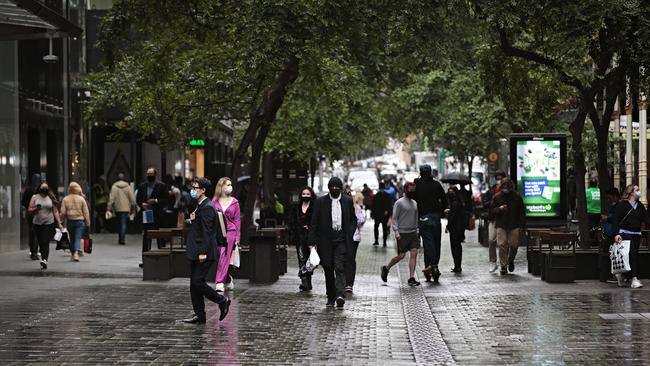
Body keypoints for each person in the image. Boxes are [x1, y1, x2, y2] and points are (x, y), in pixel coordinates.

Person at [181, 177, 231, 324]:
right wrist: (193, 220)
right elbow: (201, 226)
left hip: (205, 252)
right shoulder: (201, 205)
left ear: (203, 190)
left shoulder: (208, 206)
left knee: (197, 282)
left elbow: (207, 232)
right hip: (196, 250)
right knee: (194, 283)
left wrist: (203, 252)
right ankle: (200, 315)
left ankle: (222, 300)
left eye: (195, 188)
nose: (193, 191)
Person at [308, 177, 357, 308]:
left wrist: (350, 232)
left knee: (340, 267)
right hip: (326, 241)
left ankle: (340, 294)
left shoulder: (347, 201)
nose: (335, 189)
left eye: (337, 187)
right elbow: (314, 223)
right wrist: (311, 242)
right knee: (328, 268)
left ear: (341, 188)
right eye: (332, 187)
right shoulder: (321, 202)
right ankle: (331, 296)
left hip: (341, 239)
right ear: (329, 188)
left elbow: (353, 219)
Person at [381, 182, 420, 286]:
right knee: (401, 256)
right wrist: (396, 232)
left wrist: (417, 230)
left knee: (414, 253)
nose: (412, 191)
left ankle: (411, 277)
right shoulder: (399, 203)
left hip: (412, 233)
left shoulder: (415, 203)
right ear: (406, 190)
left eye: (414, 189)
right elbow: (394, 219)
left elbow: (416, 218)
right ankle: (386, 268)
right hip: (402, 233)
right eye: (410, 189)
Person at [414, 164, 447, 283]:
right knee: (436, 243)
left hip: (423, 217)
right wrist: (441, 212)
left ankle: (432, 265)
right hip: (435, 217)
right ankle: (434, 265)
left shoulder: (416, 183)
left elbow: (411, 197)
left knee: (428, 243)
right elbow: (444, 200)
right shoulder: (437, 185)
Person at [612, 184, 649, 289]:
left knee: (633, 256)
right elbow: (616, 220)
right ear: (631, 192)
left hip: (636, 234)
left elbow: (646, 220)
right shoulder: (622, 205)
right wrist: (616, 234)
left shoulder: (640, 206)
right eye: (637, 190)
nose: (639, 192)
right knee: (632, 253)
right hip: (624, 233)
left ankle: (623, 275)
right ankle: (634, 279)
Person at [490, 178, 526, 275]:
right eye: (503, 186)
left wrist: (522, 225)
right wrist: (499, 209)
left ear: (511, 186)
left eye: (507, 186)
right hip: (501, 224)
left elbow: (522, 212)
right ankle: (503, 266)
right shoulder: (496, 197)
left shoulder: (517, 197)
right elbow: (491, 211)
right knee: (502, 245)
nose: (505, 187)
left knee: (514, 245)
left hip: (514, 225)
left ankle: (510, 260)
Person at [212, 177, 241, 292]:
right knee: (221, 257)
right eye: (227, 185)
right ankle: (228, 279)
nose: (230, 187)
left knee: (224, 255)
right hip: (218, 233)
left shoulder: (235, 202)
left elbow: (237, 220)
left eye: (230, 184)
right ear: (221, 187)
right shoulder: (214, 202)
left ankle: (219, 282)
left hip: (231, 232)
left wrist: (238, 238)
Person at [27, 181, 63, 270]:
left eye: (46, 187)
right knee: (40, 242)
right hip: (37, 223)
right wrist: (36, 208)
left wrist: (59, 223)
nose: (44, 189)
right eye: (43, 187)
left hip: (48, 223)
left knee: (45, 241)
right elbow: (30, 209)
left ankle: (44, 260)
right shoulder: (35, 197)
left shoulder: (50, 197)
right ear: (39, 188)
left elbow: (55, 211)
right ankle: (43, 258)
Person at [136, 168, 170, 255]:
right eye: (148, 174)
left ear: (155, 175)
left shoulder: (161, 186)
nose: (149, 176)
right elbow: (138, 199)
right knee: (147, 234)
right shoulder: (142, 186)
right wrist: (141, 204)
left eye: (151, 174)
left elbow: (166, 199)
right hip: (147, 213)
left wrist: (155, 200)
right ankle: (145, 256)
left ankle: (162, 255)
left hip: (158, 213)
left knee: (159, 234)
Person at [288, 186, 315, 291]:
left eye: (308, 194)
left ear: (311, 195)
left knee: (310, 260)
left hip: (311, 238)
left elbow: (317, 222)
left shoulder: (314, 208)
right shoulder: (296, 208)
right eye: (304, 194)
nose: (305, 196)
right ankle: (304, 281)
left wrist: (310, 227)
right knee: (301, 258)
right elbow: (292, 223)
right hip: (299, 238)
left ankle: (308, 280)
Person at [60, 182, 91, 261]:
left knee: (72, 238)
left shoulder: (65, 199)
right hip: (80, 221)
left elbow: (63, 212)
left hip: (70, 221)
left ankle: (73, 254)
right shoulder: (81, 199)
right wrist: (88, 222)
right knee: (78, 237)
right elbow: (86, 212)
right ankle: (76, 254)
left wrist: (61, 220)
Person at [346, 192, 366, 292]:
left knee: (350, 259)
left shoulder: (356, 207)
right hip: (342, 237)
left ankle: (349, 283)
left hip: (354, 237)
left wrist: (353, 220)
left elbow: (361, 220)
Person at [108, 173, 136, 245]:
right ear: (123, 178)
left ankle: (120, 238)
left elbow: (112, 198)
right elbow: (132, 198)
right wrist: (133, 206)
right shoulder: (128, 187)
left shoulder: (114, 187)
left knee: (119, 223)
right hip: (126, 208)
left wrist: (109, 207)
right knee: (123, 223)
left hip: (117, 208)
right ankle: (122, 239)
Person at [487, 170, 506, 272]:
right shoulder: (492, 190)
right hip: (494, 218)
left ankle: (504, 263)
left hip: (504, 220)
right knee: (491, 240)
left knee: (503, 243)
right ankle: (493, 261)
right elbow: (487, 203)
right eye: (497, 178)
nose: (499, 180)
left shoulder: (509, 190)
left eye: (501, 178)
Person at [445, 186, 466, 273]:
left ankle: (457, 266)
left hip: (454, 228)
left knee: (455, 247)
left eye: (452, 191)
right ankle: (457, 265)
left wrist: (448, 226)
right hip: (459, 227)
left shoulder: (455, 203)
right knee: (457, 246)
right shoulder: (459, 202)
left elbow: (453, 216)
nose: (450, 193)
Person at [22, 173, 41, 260]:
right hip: (37, 213)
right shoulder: (40, 190)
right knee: (37, 232)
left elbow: (23, 202)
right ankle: (35, 252)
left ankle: (32, 250)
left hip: (29, 213)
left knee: (31, 231)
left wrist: (28, 207)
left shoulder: (28, 189)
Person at [371, 182, 392, 247]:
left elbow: (389, 205)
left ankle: (384, 241)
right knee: (377, 228)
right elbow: (373, 206)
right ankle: (377, 240)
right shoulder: (377, 196)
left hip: (383, 215)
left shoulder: (379, 195)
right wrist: (373, 214)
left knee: (384, 228)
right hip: (378, 215)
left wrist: (388, 212)